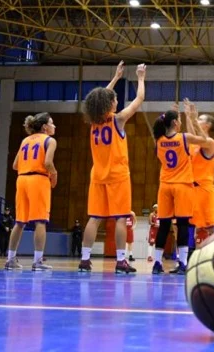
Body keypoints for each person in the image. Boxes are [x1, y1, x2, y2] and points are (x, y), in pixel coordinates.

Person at [79, 61, 145, 274]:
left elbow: (97, 101)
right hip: (117, 175)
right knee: (120, 218)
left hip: (98, 175)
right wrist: (141, 77)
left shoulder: (94, 121)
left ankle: (85, 259)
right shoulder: (118, 120)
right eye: (114, 99)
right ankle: (120, 261)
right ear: (110, 105)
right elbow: (140, 99)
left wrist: (116, 78)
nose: (116, 100)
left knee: (94, 218)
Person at [151, 109, 211, 275]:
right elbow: (204, 140)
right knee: (183, 224)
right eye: (179, 120)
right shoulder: (183, 138)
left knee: (163, 226)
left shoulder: (158, 141)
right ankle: (183, 263)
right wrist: (191, 117)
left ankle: (157, 263)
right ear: (175, 123)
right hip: (182, 185)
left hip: (165, 186)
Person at [4, 113, 57, 271]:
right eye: (52, 123)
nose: (54, 126)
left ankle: (10, 259)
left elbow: (15, 165)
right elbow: (48, 162)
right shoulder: (50, 140)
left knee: (20, 222)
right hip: (38, 180)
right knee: (41, 220)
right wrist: (54, 174)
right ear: (44, 127)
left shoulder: (25, 140)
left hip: (22, 180)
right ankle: (38, 261)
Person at [182, 100, 214, 249]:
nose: (198, 121)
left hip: (205, 189)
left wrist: (192, 119)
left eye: (201, 119)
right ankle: (190, 256)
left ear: (208, 125)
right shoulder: (197, 144)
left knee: (210, 226)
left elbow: (201, 137)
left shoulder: (211, 143)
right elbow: (192, 134)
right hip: (192, 189)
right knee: (191, 224)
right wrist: (188, 117)